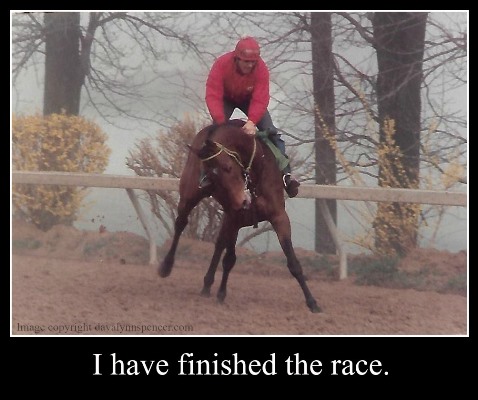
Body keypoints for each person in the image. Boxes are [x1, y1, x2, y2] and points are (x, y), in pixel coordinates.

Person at [202, 36, 300, 198]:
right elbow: (213, 94)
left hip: (250, 100)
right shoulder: (221, 64)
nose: (249, 65)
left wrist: (252, 122)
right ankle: (205, 175)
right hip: (226, 98)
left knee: (272, 132)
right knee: (215, 135)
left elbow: (261, 98)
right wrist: (220, 122)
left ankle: (286, 175)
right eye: (246, 61)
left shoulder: (261, 69)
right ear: (237, 59)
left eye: (253, 62)